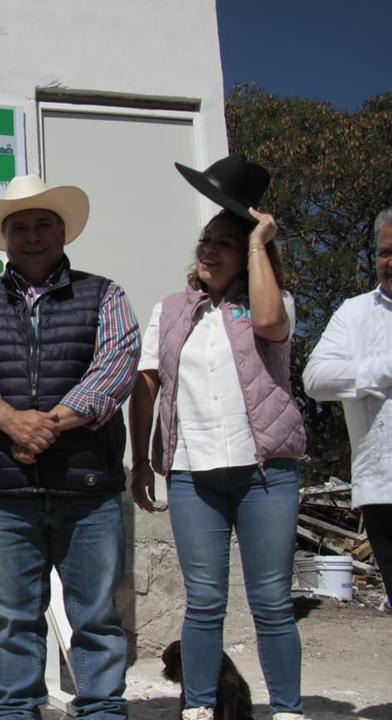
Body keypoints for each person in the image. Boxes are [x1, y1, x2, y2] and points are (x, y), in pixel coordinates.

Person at [0, 175, 140, 719]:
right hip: (9, 488)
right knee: (15, 616)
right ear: (5, 238)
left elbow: (116, 369)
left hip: (88, 485)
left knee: (97, 615)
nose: (32, 237)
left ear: (63, 233)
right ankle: (16, 710)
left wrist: (45, 424)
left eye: (43, 225)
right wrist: (10, 421)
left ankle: (101, 710)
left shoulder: (106, 294)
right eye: (20, 227)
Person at [129, 154, 307, 720]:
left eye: (224, 244)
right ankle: (199, 709)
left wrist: (258, 245)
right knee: (204, 602)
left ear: (250, 251)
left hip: (265, 474)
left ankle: (287, 711)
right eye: (205, 241)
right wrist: (140, 459)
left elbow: (269, 325)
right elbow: (147, 382)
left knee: (272, 601)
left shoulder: (271, 301)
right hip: (191, 474)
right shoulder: (173, 310)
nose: (208, 251)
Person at [303, 207, 392, 612]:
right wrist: (382, 369)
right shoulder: (355, 314)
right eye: (384, 252)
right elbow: (316, 379)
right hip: (383, 488)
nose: (389, 262)